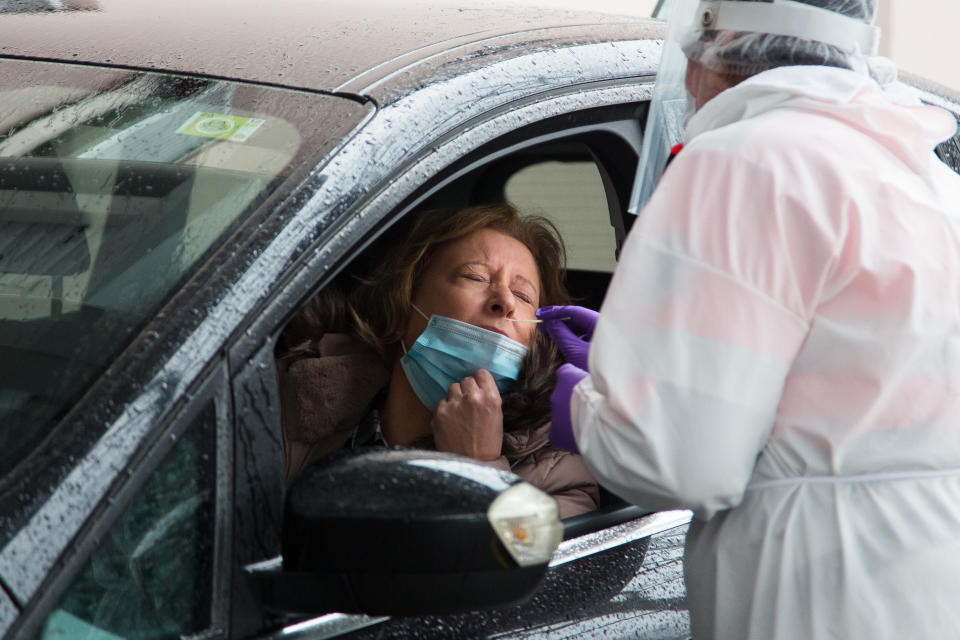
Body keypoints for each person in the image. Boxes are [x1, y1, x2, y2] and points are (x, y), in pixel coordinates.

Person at [539, 0, 960, 637]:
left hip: (822, 592)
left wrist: (586, 402)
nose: (684, 71)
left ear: (730, 34)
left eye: (692, 38)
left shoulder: (743, 160)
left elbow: (675, 461)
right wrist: (648, 361)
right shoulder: (919, 171)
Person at [277, 203, 600, 518]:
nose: (504, 301)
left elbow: (518, 565)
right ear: (403, 302)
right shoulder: (298, 398)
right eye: (475, 277)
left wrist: (479, 466)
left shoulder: (560, 473)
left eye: (524, 296)